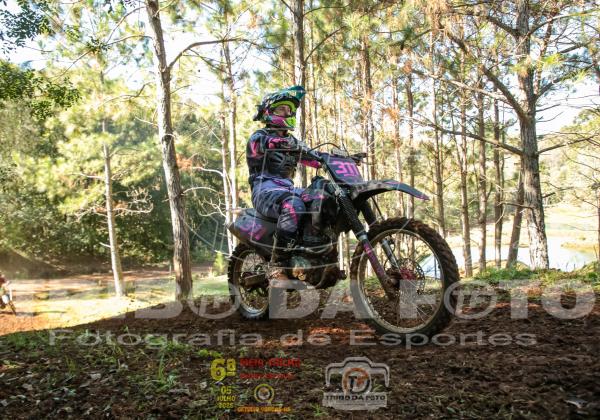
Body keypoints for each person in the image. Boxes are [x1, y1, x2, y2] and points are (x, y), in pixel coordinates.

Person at [246, 85, 320, 283]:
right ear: (268, 112)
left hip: (287, 189)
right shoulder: (259, 137)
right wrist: (289, 145)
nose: (287, 113)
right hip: (264, 190)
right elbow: (266, 144)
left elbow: (314, 158)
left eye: (289, 110)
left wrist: (340, 158)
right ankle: (277, 266)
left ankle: (312, 254)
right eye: (281, 109)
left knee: (321, 198)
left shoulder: (291, 141)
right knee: (294, 205)